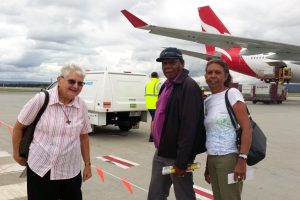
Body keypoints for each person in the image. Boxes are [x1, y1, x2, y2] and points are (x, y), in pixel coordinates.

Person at [12, 64, 92, 200]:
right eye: (72, 81)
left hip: (70, 172)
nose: (76, 86)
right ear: (60, 80)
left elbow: (84, 137)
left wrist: (88, 165)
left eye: (80, 83)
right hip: (41, 169)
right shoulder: (41, 99)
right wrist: (16, 154)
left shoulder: (81, 106)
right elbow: (19, 127)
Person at [147, 47, 206, 200]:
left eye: (172, 62)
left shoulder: (189, 86)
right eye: (164, 63)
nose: (167, 66)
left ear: (182, 63)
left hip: (178, 156)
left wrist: (182, 161)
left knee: (183, 195)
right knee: (155, 194)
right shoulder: (166, 85)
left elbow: (189, 127)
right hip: (161, 151)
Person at [203, 59, 252, 200]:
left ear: (225, 76)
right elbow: (211, 134)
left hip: (230, 158)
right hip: (213, 158)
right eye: (209, 72)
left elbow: (247, 128)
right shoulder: (208, 101)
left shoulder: (232, 93)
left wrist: (242, 160)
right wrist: (208, 165)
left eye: (217, 72)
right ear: (205, 76)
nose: (213, 75)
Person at [145, 71, 160, 142]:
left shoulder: (148, 84)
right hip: (155, 105)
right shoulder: (158, 84)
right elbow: (162, 95)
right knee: (155, 120)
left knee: (154, 119)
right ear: (157, 76)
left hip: (149, 105)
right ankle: (152, 136)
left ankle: (153, 135)